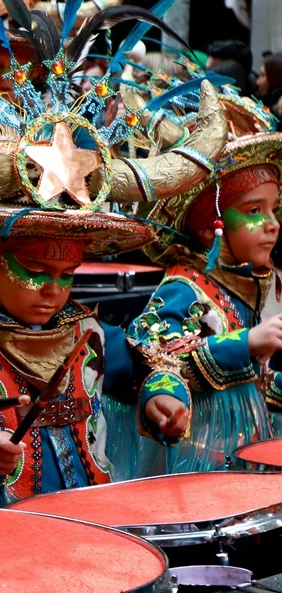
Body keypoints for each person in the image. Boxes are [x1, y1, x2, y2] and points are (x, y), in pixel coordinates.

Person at [0, 33, 224, 501]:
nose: (54, 291)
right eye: (36, 269)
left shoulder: (90, 336)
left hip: (91, 535)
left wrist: (164, 395)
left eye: (66, 275)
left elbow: (153, 362)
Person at [124, 133, 282, 475]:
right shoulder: (184, 287)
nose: (273, 224)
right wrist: (247, 342)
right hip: (199, 466)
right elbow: (158, 357)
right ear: (212, 229)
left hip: (242, 460)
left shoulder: (244, 287)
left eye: (275, 209)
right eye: (254, 210)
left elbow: (254, 384)